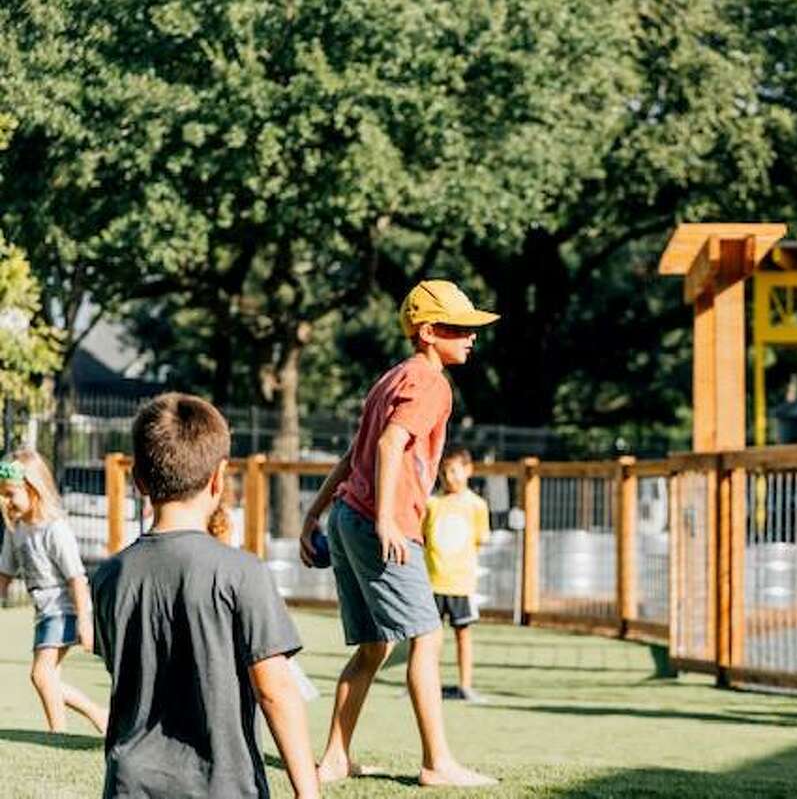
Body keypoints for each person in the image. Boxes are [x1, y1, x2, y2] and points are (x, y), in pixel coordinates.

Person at [299, 279, 498, 787]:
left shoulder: (390, 379)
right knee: (427, 637)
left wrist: (314, 513)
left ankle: (335, 760)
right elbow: (389, 446)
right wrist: (387, 518)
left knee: (372, 648)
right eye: (461, 328)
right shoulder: (431, 383)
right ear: (428, 332)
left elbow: (352, 456)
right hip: (376, 523)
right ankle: (438, 763)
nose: (472, 336)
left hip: (347, 519)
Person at [91, 393, 317, 799]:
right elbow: (275, 690)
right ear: (219, 478)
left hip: (129, 785)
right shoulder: (243, 573)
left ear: (137, 478)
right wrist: (308, 792)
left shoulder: (108, 577)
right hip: (223, 787)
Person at [0, 449, 108, 734]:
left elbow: (76, 578)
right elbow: (4, 574)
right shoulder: (16, 530)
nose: (5, 501)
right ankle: (99, 713)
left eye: (11, 494)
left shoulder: (54, 530)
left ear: (34, 490)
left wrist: (85, 620)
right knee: (49, 678)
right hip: (44, 612)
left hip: (63, 610)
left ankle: (57, 733)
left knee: (41, 674)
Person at [422, 446, 491, 703]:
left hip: (461, 584)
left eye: (454, 470)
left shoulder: (477, 506)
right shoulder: (432, 503)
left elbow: (480, 539)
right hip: (432, 582)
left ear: (468, 470)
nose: (449, 477)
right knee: (429, 639)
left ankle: (465, 685)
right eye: (444, 471)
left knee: (463, 634)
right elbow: (423, 536)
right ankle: (427, 685)